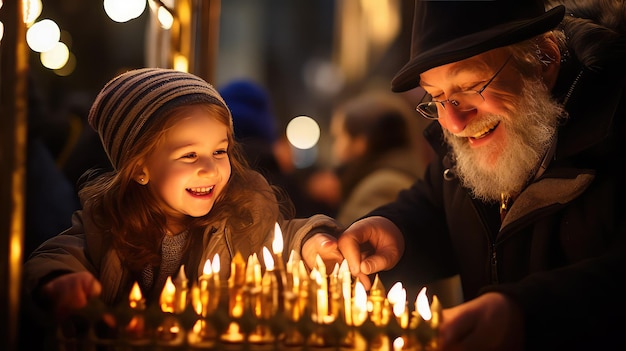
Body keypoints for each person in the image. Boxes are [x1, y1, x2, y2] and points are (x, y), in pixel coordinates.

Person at [337, 0, 626, 350]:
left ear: (543, 61)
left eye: (471, 87)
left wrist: (524, 316)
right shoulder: (466, 146)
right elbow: (434, 206)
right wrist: (395, 229)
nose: (455, 124)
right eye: (437, 98)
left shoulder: (612, 129)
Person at [22, 68, 343, 322]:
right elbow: (56, 254)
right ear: (139, 168)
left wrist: (313, 243)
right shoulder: (104, 224)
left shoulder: (245, 214)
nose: (210, 168)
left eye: (220, 151)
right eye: (189, 155)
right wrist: (60, 279)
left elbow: (284, 237)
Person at [315, 90, 428, 227]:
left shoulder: (381, 187)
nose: (336, 148)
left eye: (339, 137)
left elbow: (361, 243)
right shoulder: (394, 174)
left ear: (361, 143)